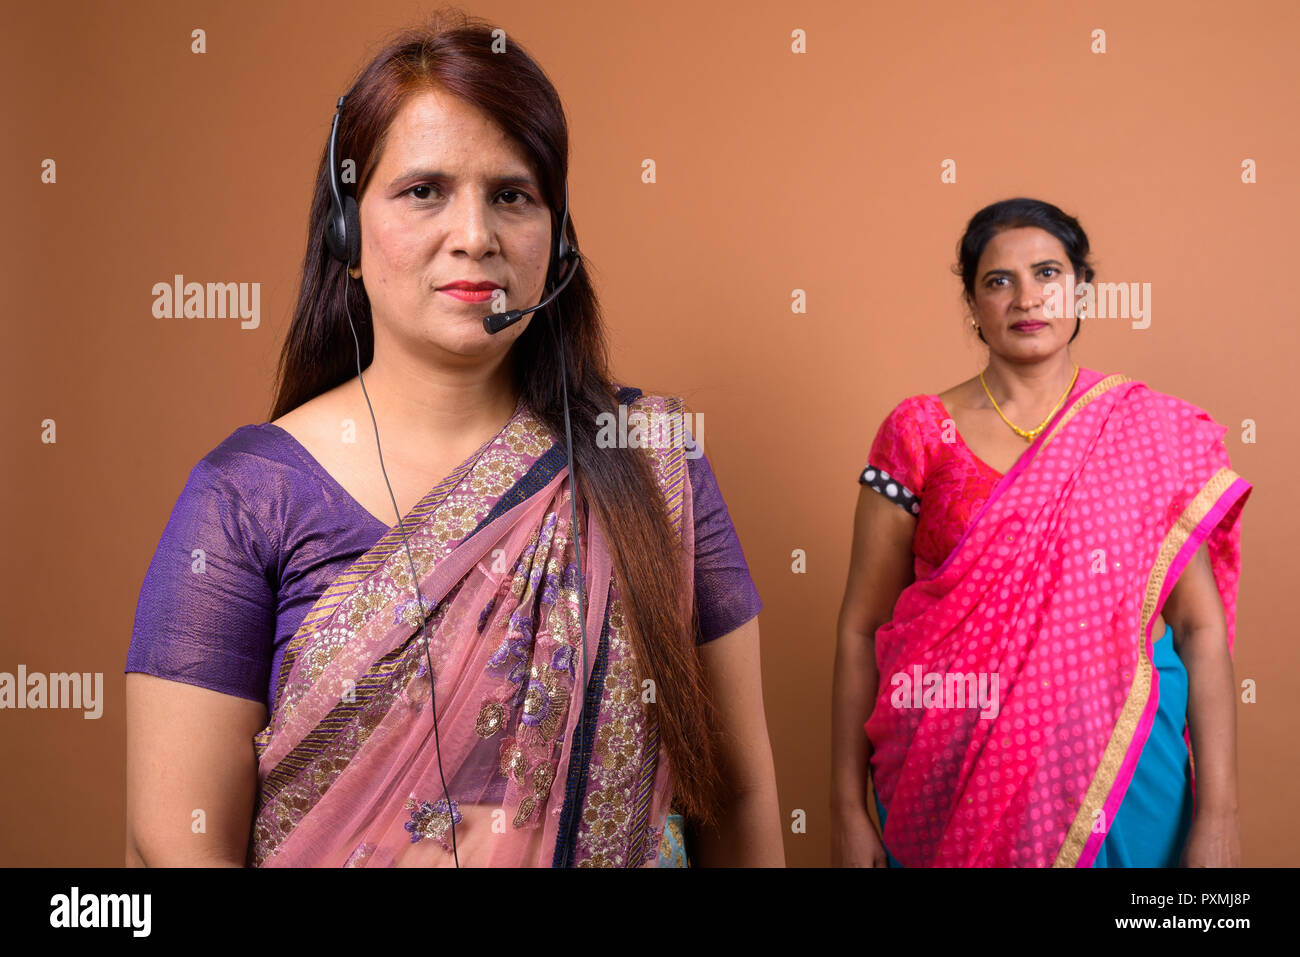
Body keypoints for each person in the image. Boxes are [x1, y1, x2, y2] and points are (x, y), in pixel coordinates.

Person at [124, 11, 783, 868]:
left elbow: (737, 792)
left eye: (512, 195)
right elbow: (176, 845)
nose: (475, 236)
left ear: (558, 240)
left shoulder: (649, 458)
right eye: (424, 190)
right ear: (347, 239)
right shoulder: (246, 498)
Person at [830, 198, 1250, 867]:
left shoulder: (1146, 435)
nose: (1027, 296)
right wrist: (845, 809)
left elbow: (1198, 628)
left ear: (1082, 289)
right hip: (946, 784)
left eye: (1048, 272)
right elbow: (861, 627)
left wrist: (1220, 813)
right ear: (971, 303)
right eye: (998, 280)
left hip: (1128, 776)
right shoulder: (919, 432)